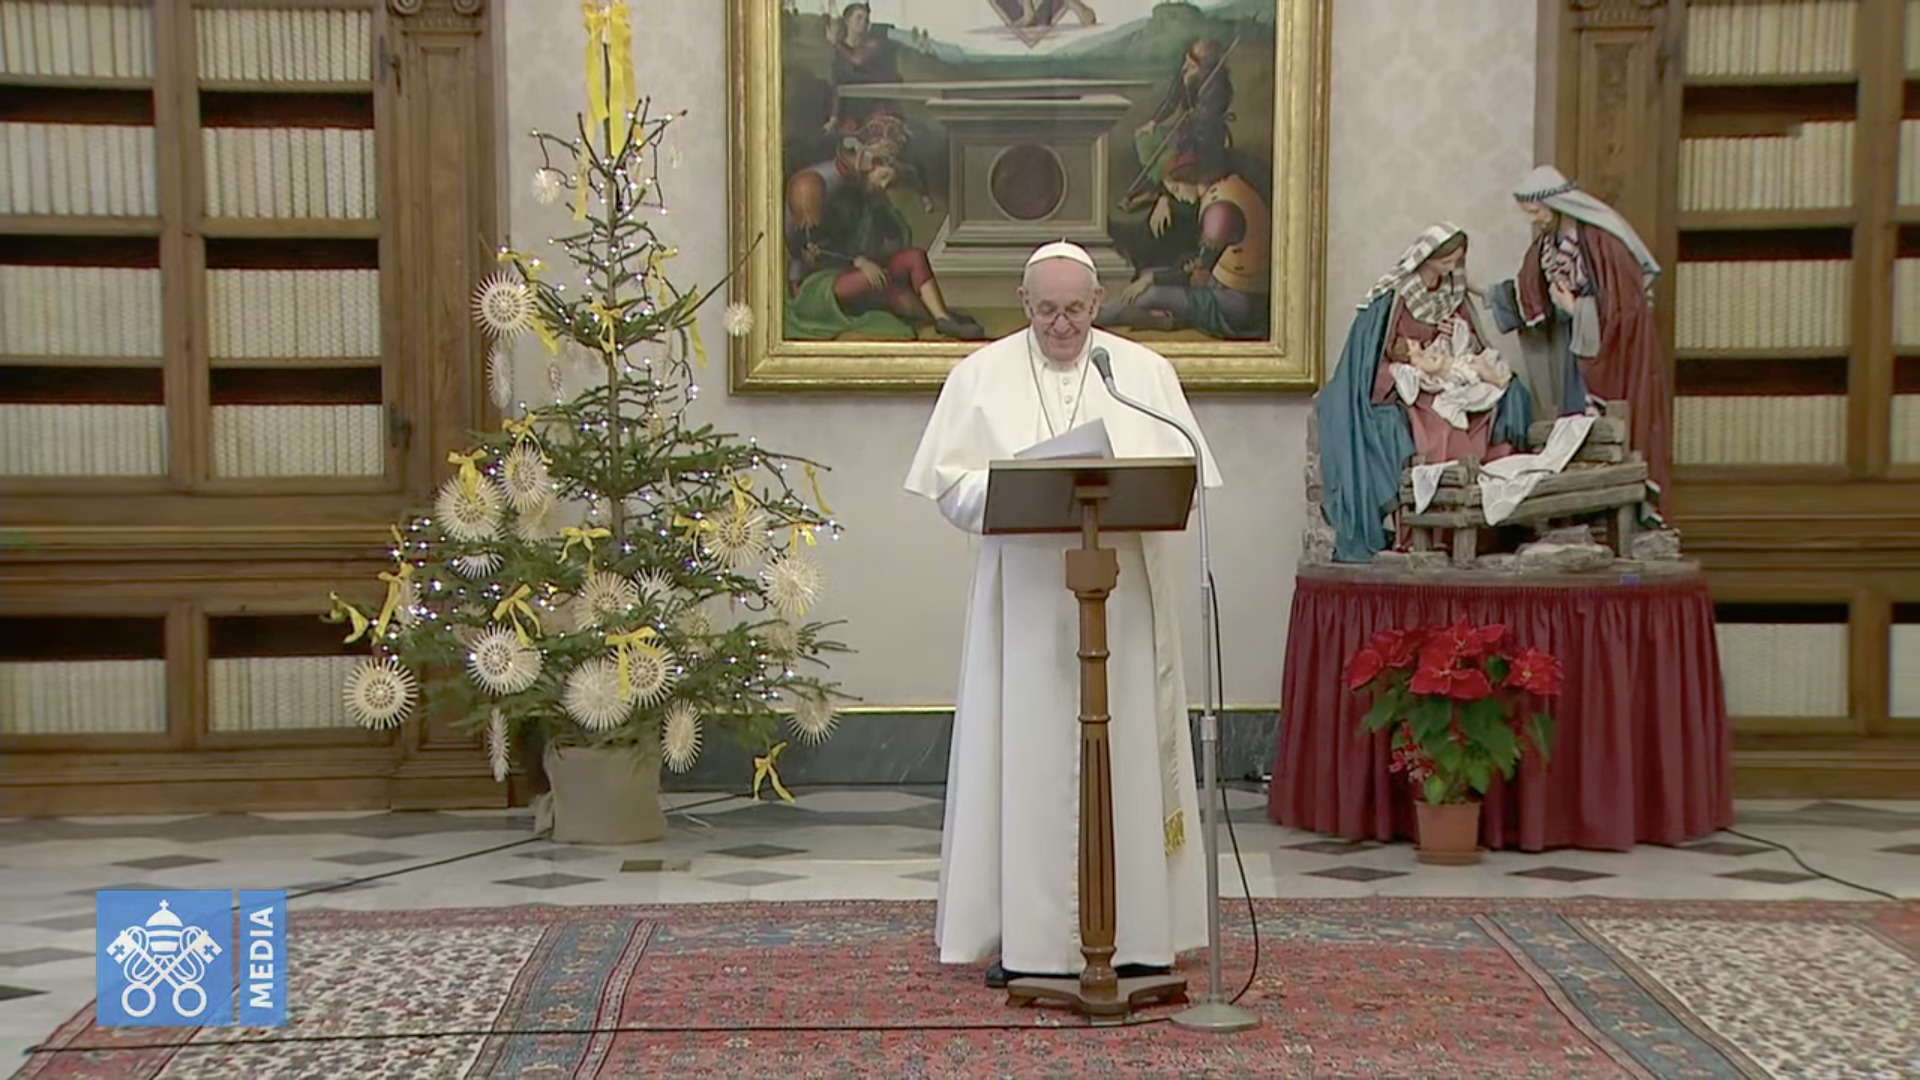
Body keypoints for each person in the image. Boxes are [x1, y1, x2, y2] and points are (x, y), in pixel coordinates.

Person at [904, 240, 1217, 988]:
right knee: (1027, 763)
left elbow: (1183, 474)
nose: (1061, 325)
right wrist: (1018, 489)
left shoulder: (1142, 375)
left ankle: (1139, 935)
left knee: (1128, 755)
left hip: (1125, 603)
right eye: (1046, 310)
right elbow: (951, 487)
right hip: (1026, 604)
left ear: (1097, 303)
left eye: (1075, 309)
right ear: (1023, 303)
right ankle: (1032, 944)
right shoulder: (979, 376)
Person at [1317, 224, 1532, 563]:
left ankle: (1480, 515)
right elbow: (1377, 356)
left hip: (1450, 375)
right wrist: (1412, 360)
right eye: (1447, 260)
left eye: (1457, 260)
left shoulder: (1452, 293)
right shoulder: (1395, 298)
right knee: (1440, 427)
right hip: (1415, 382)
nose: (1452, 266)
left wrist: (1455, 335)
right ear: (1429, 258)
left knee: (1493, 398)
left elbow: (1471, 346)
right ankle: (1435, 526)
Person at [1489, 165, 1670, 514]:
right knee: (1573, 422)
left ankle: (1615, 511)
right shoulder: (1548, 243)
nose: (1534, 220)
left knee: (1604, 424)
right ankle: (1583, 511)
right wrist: (1490, 295)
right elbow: (1531, 290)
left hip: (1609, 352)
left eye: (1536, 212)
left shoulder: (1602, 242)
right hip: (1576, 347)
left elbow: (1625, 306)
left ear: (1555, 204)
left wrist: (1576, 308)